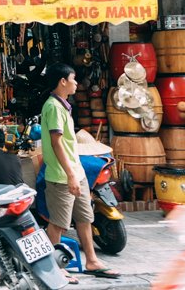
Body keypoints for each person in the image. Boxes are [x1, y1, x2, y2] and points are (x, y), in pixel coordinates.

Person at [41, 62, 121, 281]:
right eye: (73, 79)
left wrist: (76, 173)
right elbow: (57, 143)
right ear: (63, 81)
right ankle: (54, 267)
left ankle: (92, 261)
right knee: (58, 223)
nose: (77, 83)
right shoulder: (53, 107)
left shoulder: (64, 105)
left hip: (76, 172)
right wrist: (70, 174)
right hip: (62, 176)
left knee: (85, 218)